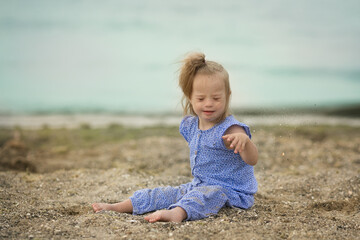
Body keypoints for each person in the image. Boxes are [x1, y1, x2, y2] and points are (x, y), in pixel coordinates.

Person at [92, 52, 258, 223]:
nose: (208, 103)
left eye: (216, 98)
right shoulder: (192, 125)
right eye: (201, 98)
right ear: (190, 97)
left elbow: (252, 159)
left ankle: (177, 214)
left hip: (231, 191)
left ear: (228, 95)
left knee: (204, 196)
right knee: (164, 193)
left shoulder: (231, 128)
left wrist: (245, 142)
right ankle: (120, 206)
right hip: (199, 184)